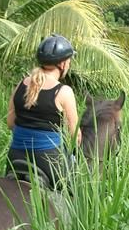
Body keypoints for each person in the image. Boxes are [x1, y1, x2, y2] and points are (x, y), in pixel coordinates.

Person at [6, 34, 81, 189]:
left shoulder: (22, 84)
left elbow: (10, 123)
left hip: (16, 155)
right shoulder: (63, 92)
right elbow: (75, 135)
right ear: (62, 64)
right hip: (48, 159)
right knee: (75, 192)